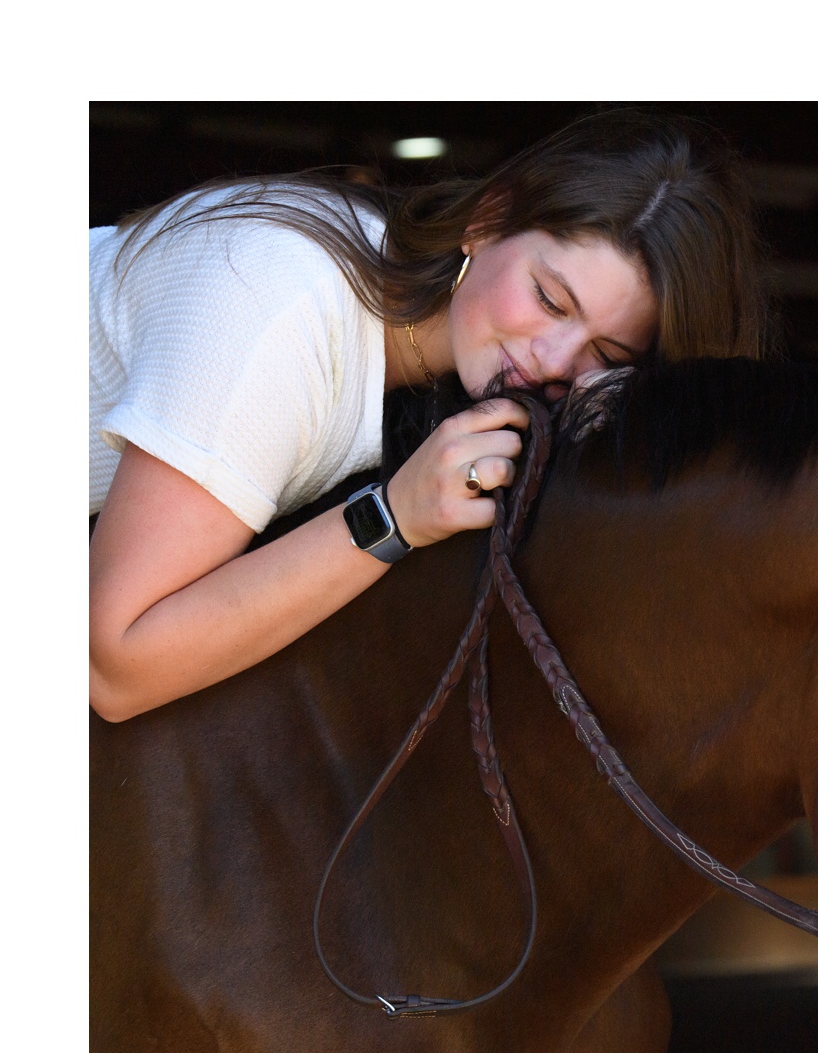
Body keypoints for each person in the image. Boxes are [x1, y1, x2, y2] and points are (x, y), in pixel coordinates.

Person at [89, 110, 773, 722]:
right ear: (487, 219)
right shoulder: (280, 312)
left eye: (606, 351)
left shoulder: (418, 333)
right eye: (550, 299)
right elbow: (114, 668)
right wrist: (390, 519)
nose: (554, 359)